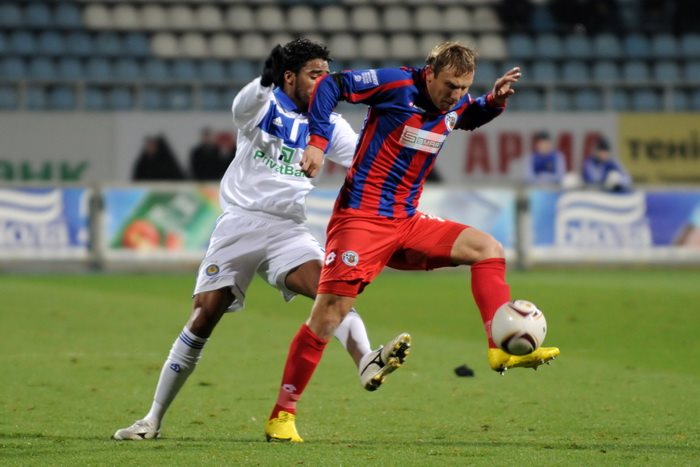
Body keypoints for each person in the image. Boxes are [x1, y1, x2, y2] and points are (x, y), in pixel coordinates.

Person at [264, 41, 560, 443]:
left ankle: (499, 346)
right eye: (450, 86)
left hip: (407, 221)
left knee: (487, 249)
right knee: (329, 314)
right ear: (430, 73)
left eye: (464, 87)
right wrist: (317, 141)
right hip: (361, 220)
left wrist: (492, 102)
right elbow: (332, 85)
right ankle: (282, 414)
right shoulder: (395, 84)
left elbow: (466, 116)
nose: (455, 95)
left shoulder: (454, 102)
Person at [113, 38, 408, 441]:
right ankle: (152, 420)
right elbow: (241, 109)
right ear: (289, 77)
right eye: (314, 74)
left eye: (327, 75)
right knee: (203, 317)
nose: (323, 82)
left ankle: (366, 361)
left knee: (331, 292)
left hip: (288, 229)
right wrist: (263, 82)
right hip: (240, 224)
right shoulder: (264, 104)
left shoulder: (328, 123)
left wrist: (405, 130)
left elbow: (368, 158)